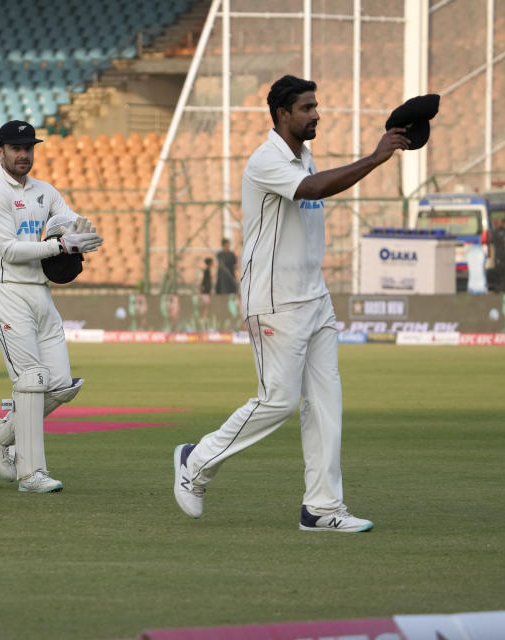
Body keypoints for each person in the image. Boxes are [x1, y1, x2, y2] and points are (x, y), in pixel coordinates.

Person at [173, 75, 410, 532]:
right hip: (274, 300)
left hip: (314, 297)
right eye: (307, 108)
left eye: (316, 105)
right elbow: (314, 190)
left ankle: (321, 508)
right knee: (278, 402)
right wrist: (377, 158)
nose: (316, 113)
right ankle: (195, 460)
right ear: (283, 114)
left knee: (325, 403)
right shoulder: (265, 160)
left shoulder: (304, 154)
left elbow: (314, 183)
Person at [0, 120, 103, 493]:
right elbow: (11, 251)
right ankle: (31, 475)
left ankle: (1, 434)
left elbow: (65, 219)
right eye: (16, 148)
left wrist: (77, 228)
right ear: (0, 151)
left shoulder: (44, 191)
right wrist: (61, 247)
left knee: (61, 384)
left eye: (29, 148)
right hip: (6, 291)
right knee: (31, 381)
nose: (23, 155)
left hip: (40, 294)